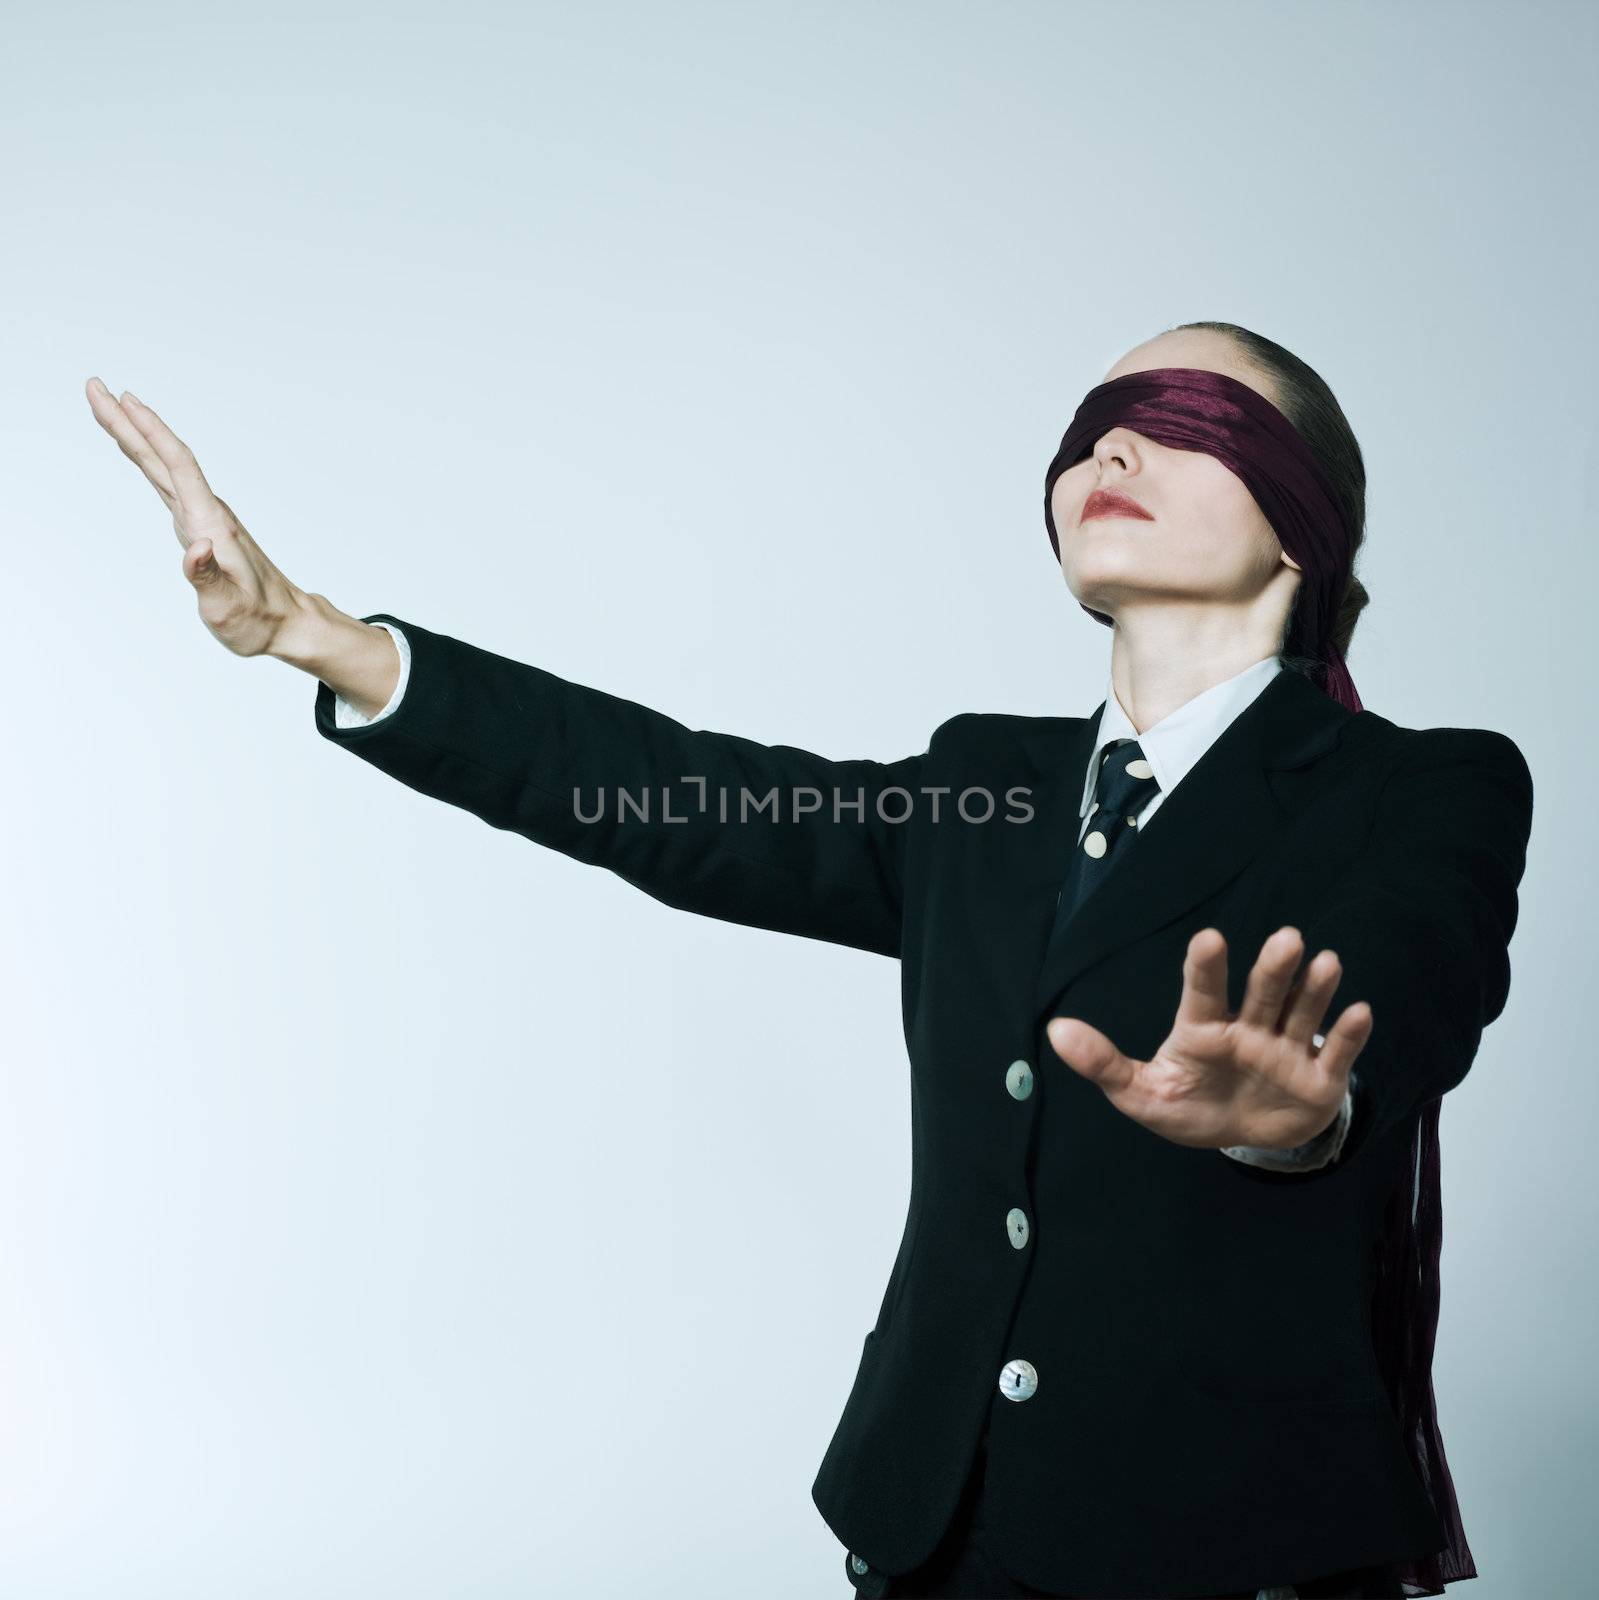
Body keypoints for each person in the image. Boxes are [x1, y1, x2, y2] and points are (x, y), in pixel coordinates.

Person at [84, 319, 1533, 1599]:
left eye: (1184, 421)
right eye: (1093, 429)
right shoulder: (982, 786)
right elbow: (681, 799)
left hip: (1227, 1549)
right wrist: (324, 642)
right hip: (931, 1529)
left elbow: (1428, 972)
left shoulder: (1427, 785)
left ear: (1299, 521)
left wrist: (1309, 1117)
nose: (1117, 445)